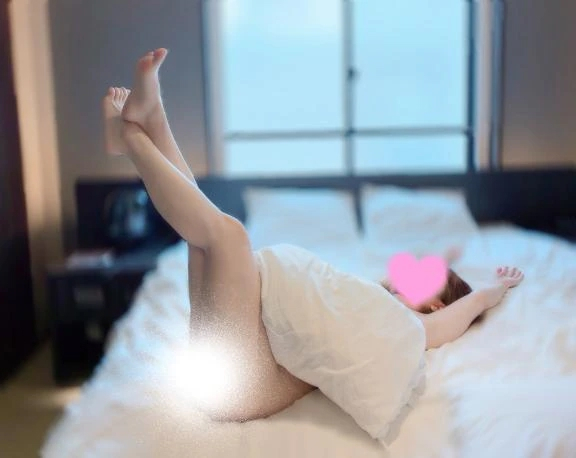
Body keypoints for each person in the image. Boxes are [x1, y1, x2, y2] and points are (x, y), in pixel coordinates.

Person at [102, 48, 524, 423]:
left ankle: (131, 138)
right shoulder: (370, 303)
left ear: (435, 305)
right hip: (225, 363)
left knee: (229, 235)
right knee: (205, 237)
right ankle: (153, 124)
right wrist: (445, 257)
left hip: (245, 387)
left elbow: (457, 315)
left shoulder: (413, 328)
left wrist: (491, 291)